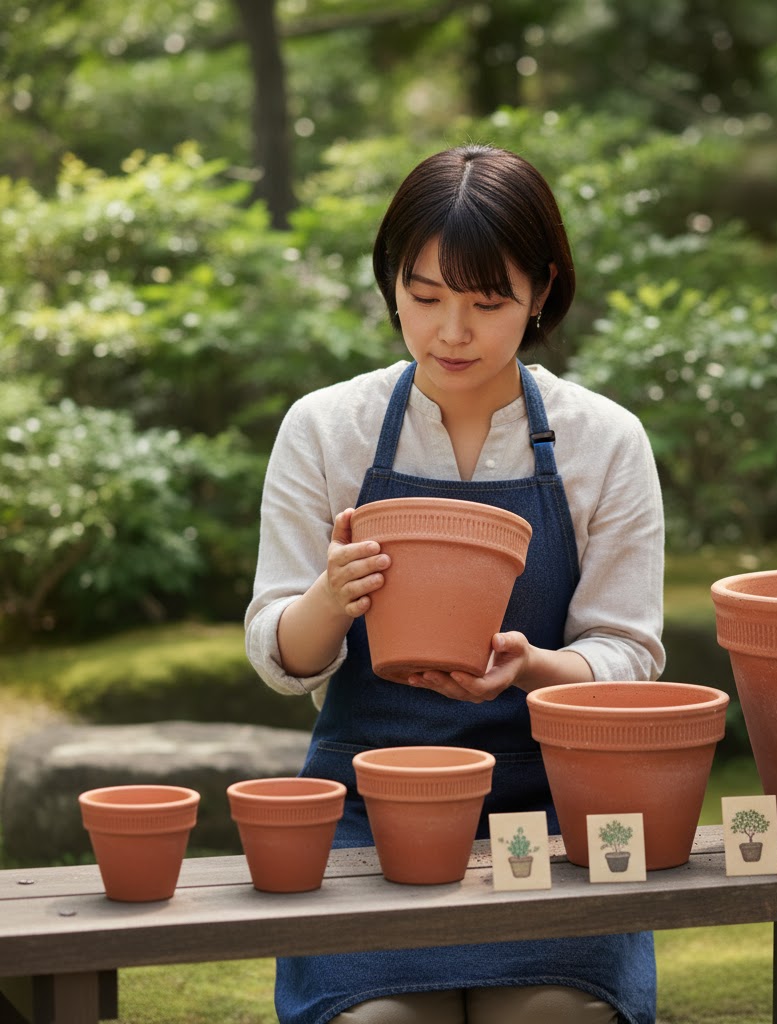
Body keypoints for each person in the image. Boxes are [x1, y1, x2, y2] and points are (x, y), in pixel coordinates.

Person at [245, 144, 665, 1024]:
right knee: (380, 1021)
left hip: (554, 818)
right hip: (367, 811)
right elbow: (278, 651)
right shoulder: (328, 430)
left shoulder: (605, 440)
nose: (451, 333)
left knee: (558, 1015)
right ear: (391, 281)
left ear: (542, 290)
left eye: (488, 302)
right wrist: (330, 600)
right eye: (426, 297)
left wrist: (537, 666)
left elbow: (629, 651)